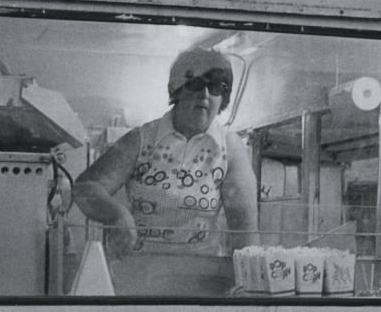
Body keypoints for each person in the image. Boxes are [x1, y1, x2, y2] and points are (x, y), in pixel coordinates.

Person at [71, 46, 258, 298]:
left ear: (222, 98)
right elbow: (86, 188)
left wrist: (249, 288)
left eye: (215, 87)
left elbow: (244, 232)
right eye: (195, 84)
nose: (204, 95)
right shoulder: (141, 139)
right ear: (176, 90)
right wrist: (116, 214)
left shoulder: (230, 148)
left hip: (204, 283)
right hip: (139, 280)